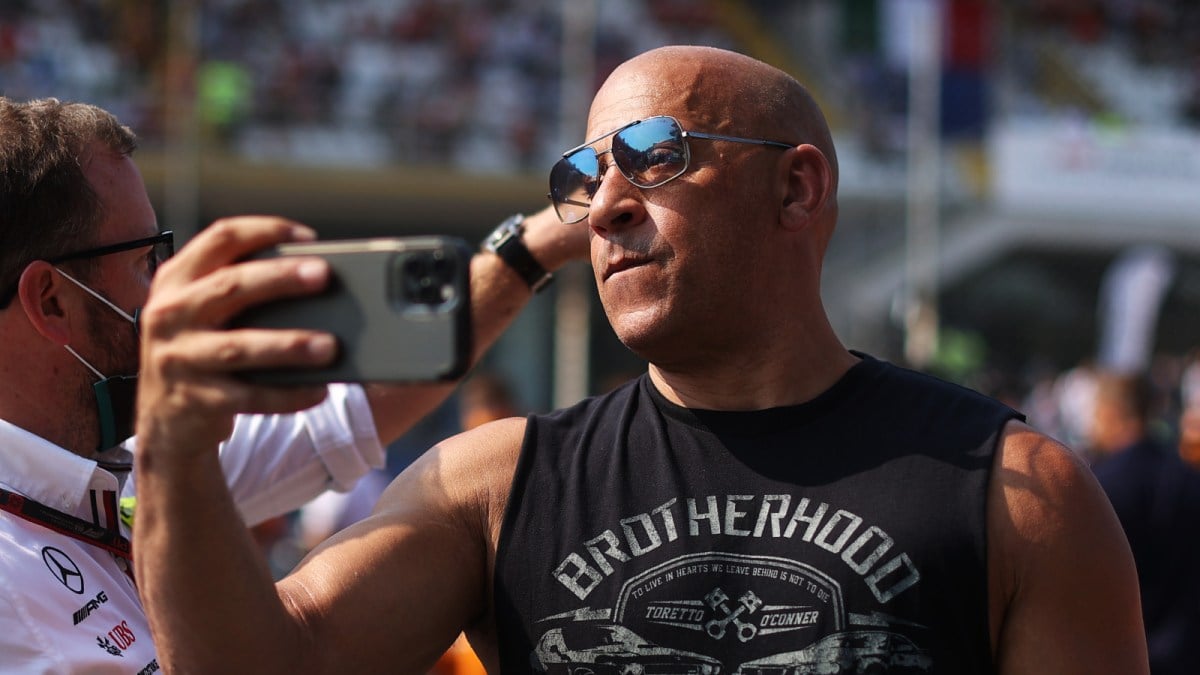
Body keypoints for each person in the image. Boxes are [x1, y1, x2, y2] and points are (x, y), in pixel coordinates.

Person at [132, 46, 1148, 674]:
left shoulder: (1020, 495)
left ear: (797, 191)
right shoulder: (495, 481)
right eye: (584, 174)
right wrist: (175, 444)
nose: (605, 206)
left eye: (658, 155)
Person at [0, 96, 585, 673]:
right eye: (144, 261)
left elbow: (352, 412)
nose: (164, 290)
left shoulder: (123, 464)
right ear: (51, 301)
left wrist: (538, 247)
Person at [1088, 370, 1200, 675]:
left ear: (1109, 412)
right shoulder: (1187, 476)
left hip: (1123, 656)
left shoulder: (1097, 486)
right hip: (1186, 651)